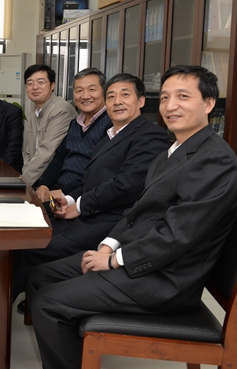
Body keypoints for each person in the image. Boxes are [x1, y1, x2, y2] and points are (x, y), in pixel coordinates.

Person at [27, 65, 237, 369]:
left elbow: (177, 236)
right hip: (144, 259)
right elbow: (137, 210)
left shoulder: (214, 158)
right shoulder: (173, 151)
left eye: (182, 97)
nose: (170, 106)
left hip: (166, 280)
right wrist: (108, 245)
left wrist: (115, 260)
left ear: (208, 103)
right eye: (165, 98)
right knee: (40, 276)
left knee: (47, 302)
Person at [13, 73, 170, 302]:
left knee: (34, 246)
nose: (117, 101)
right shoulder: (109, 136)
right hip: (86, 213)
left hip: (108, 222)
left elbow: (126, 186)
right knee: (24, 234)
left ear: (141, 101)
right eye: (111, 96)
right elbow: (88, 179)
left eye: (125, 95)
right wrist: (69, 200)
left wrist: (79, 205)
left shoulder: (151, 135)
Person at [34, 68, 112, 198]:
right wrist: (44, 185)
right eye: (79, 90)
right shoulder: (75, 123)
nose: (85, 96)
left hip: (81, 195)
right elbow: (59, 158)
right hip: (58, 188)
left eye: (92, 89)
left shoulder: (111, 124)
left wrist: (64, 192)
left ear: (104, 92)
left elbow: (98, 171)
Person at [21, 64, 76, 186]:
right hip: (37, 178)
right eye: (30, 83)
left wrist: (24, 183)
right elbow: (28, 152)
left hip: (55, 180)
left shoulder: (60, 110)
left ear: (52, 85)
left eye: (41, 82)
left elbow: (46, 152)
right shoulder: (34, 110)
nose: (35, 87)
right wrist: (25, 179)